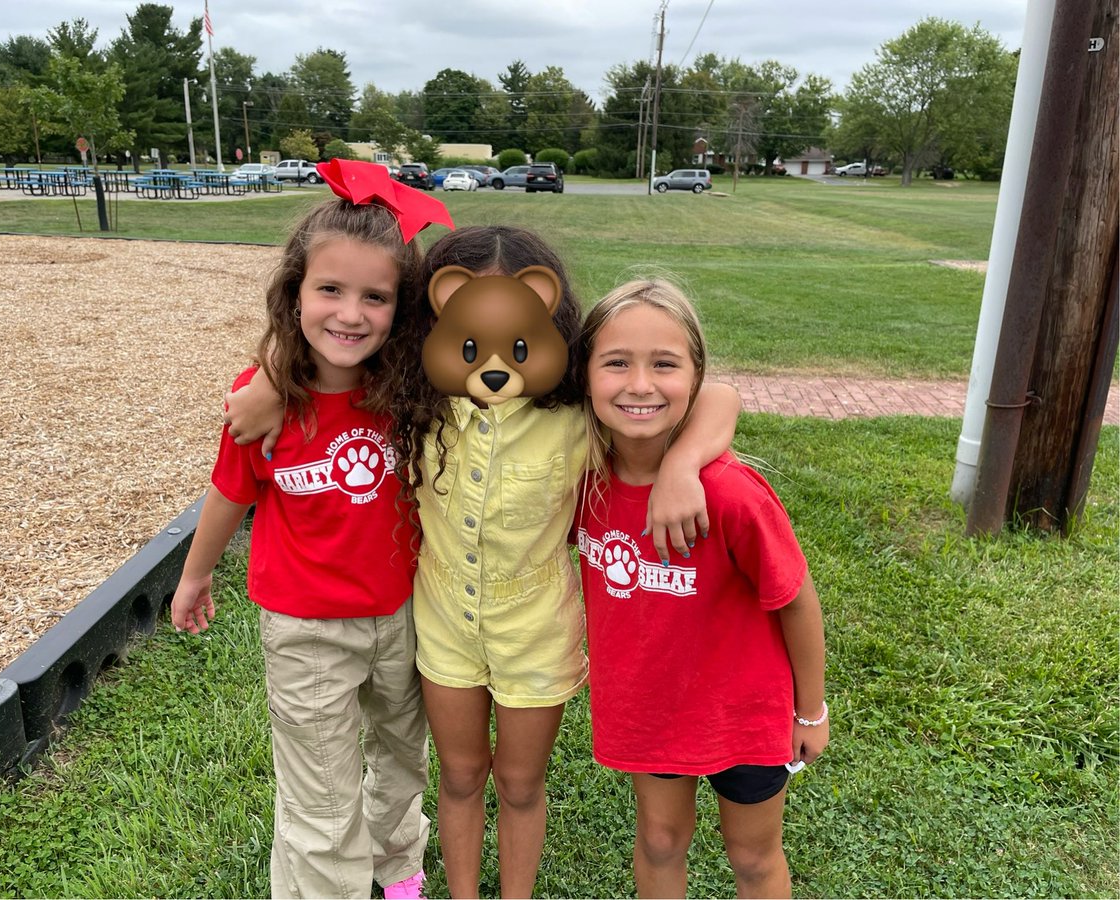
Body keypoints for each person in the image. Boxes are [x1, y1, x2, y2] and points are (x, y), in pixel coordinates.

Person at [225, 226, 742, 899]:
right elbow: (329, 349)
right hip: (444, 629)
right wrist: (274, 376)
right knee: (461, 776)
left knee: (521, 785)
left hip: (536, 634)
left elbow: (718, 396)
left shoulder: (579, 416)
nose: (493, 363)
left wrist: (679, 464)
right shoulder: (411, 400)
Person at [172, 166, 449, 900]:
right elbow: (231, 490)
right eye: (329, 290)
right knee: (322, 796)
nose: (350, 314)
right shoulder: (263, 401)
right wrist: (196, 574)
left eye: (375, 296)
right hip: (306, 629)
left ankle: (398, 874)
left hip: (405, 616)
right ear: (293, 292)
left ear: (403, 308)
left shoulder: (412, 384)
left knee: (401, 761)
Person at [573, 278, 829, 899]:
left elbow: (795, 599)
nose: (639, 385)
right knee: (659, 841)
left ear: (695, 375)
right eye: (616, 363)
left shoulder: (731, 494)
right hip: (648, 707)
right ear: (583, 375)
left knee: (753, 856)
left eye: (664, 364)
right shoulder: (577, 480)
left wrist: (812, 710)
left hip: (744, 714)